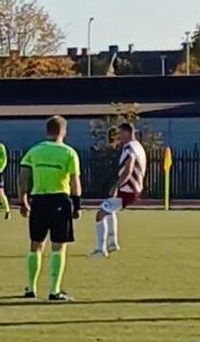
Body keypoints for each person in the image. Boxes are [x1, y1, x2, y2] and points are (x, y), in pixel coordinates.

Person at [18, 115, 82, 302]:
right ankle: (54, 290)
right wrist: (77, 205)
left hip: (38, 201)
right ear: (63, 131)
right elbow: (74, 180)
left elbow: (23, 177)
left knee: (36, 244)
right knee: (58, 246)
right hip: (59, 201)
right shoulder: (69, 153)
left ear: (47, 131)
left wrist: (23, 200)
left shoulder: (34, 152)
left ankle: (31, 288)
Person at [91, 122, 147, 258]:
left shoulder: (130, 148)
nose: (119, 136)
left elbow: (128, 169)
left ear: (127, 132)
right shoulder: (139, 147)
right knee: (110, 211)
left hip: (129, 189)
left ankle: (100, 249)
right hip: (133, 188)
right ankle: (113, 243)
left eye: (121, 133)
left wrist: (117, 185)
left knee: (100, 214)